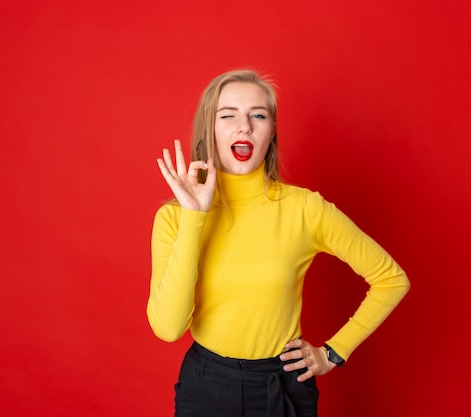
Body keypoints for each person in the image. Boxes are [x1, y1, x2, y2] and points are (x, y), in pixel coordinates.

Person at [147, 69, 410, 417]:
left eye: (258, 115)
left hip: (282, 388)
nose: (245, 126)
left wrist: (333, 352)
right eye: (228, 115)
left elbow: (392, 279)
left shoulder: (305, 208)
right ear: (209, 129)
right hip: (205, 386)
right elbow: (168, 328)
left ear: (271, 133)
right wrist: (195, 216)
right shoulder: (174, 217)